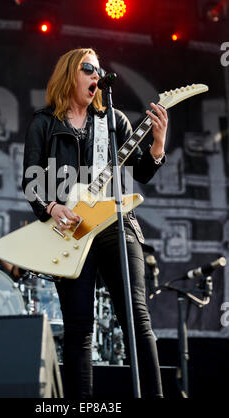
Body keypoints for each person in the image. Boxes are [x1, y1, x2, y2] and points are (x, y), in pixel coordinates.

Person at [22, 48, 168, 398]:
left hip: (116, 222)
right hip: (70, 229)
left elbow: (143, 172)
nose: (96, 74)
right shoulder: (44, 123)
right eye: (89, 68)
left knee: (136, 317)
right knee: (78, 327)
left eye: (99, 69)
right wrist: (52, 207)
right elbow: (30, 181)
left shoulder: (113, 121)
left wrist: (159, 144)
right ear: (69, 73)